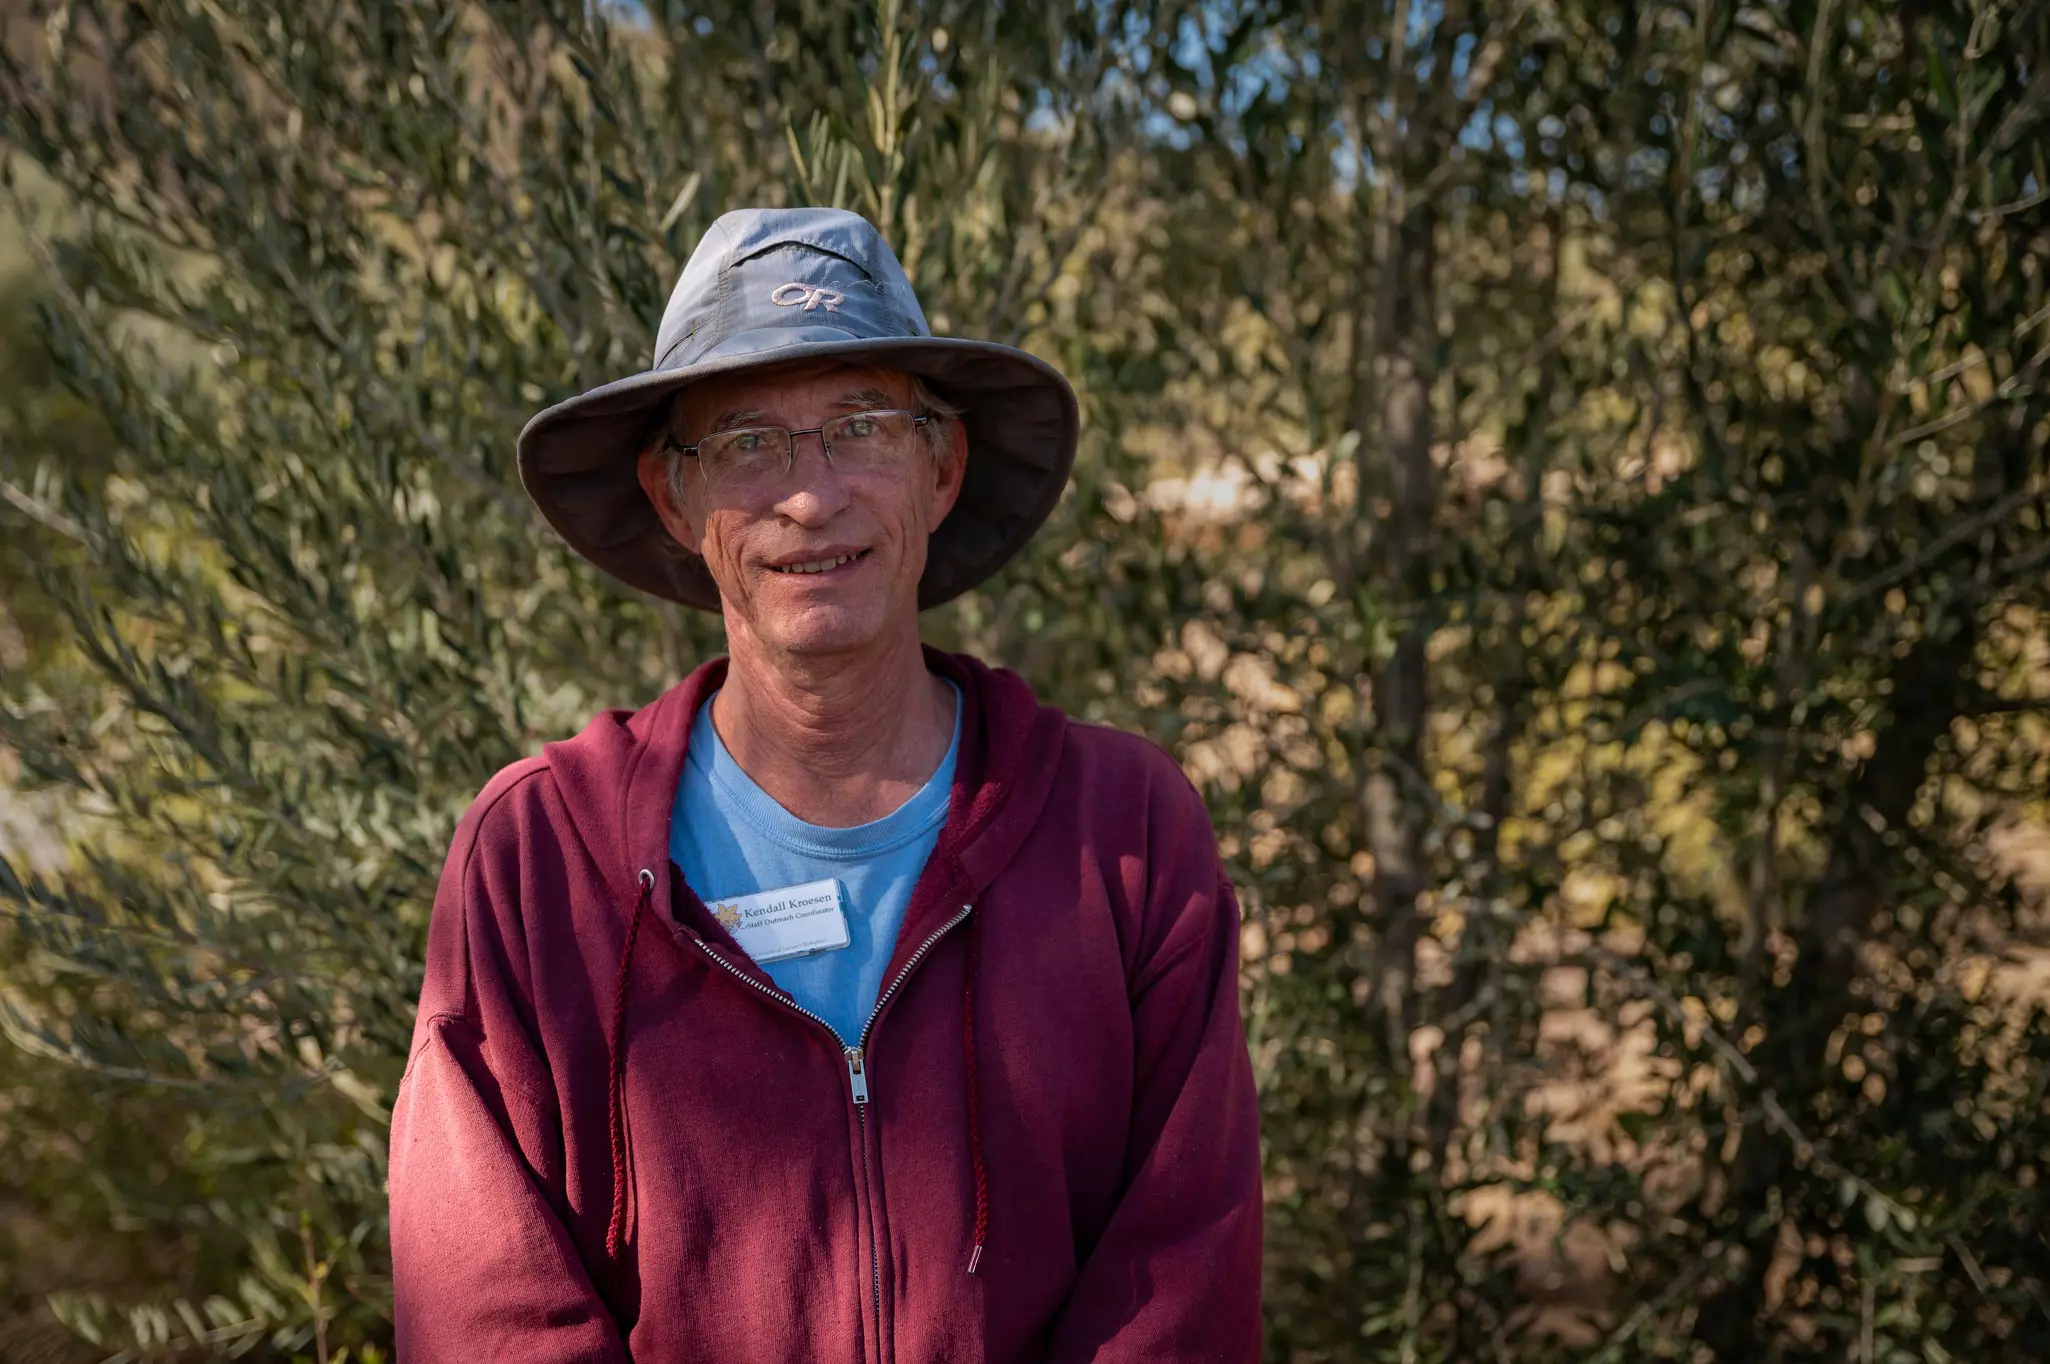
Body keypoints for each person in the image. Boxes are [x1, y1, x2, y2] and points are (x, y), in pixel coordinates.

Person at [387, 207, 1262, 1362]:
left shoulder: (1126, 834)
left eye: (861, 427)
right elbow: (485, 1314)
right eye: (749, 442)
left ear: (940, 467)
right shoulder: (541, 857)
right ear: (673, 497)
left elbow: (1179, 1292)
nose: (811, 495)